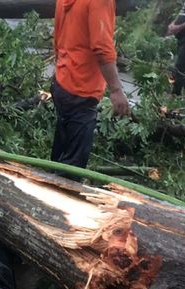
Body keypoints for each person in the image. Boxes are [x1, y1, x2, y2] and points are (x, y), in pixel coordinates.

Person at [51, 0, 130, 169]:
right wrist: (116, 90)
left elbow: (57, 35)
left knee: (61, 154)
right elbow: (102, 48)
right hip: (82, 89)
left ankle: (48, 184)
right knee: (72, 166)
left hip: (62, 81)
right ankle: (63, 191)